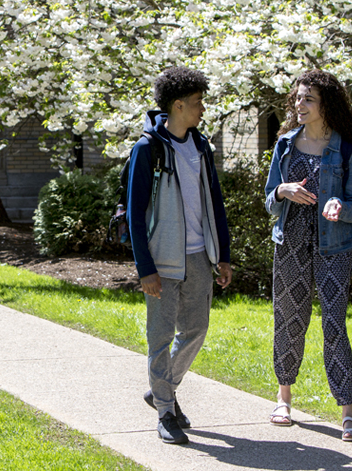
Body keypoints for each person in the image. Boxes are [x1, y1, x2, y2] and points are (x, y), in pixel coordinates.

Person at [127, 66, 232, 445]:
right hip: (162, 259)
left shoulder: (201, 147)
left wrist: (223, 254)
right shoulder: (147, 149)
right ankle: (166, 413)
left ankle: (161, 390)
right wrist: (145, 268)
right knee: (160, 335)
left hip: (199, 255)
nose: (202, 109)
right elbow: (135, 213)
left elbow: (214, 203)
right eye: (198, 102)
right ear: (178, 105)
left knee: (196, 330)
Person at [264, 70, 352, 441]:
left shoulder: (347, 149)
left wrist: (341, 205)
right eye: (298, 98)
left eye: (308, 99)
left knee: (334, 324)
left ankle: (348, 411)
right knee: (289, 318)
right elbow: (269, 200)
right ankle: (283, 398)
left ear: (326, 106)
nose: (299, 104)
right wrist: (282, 191)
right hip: (289, 242)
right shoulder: (285, 145)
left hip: (334, 248)